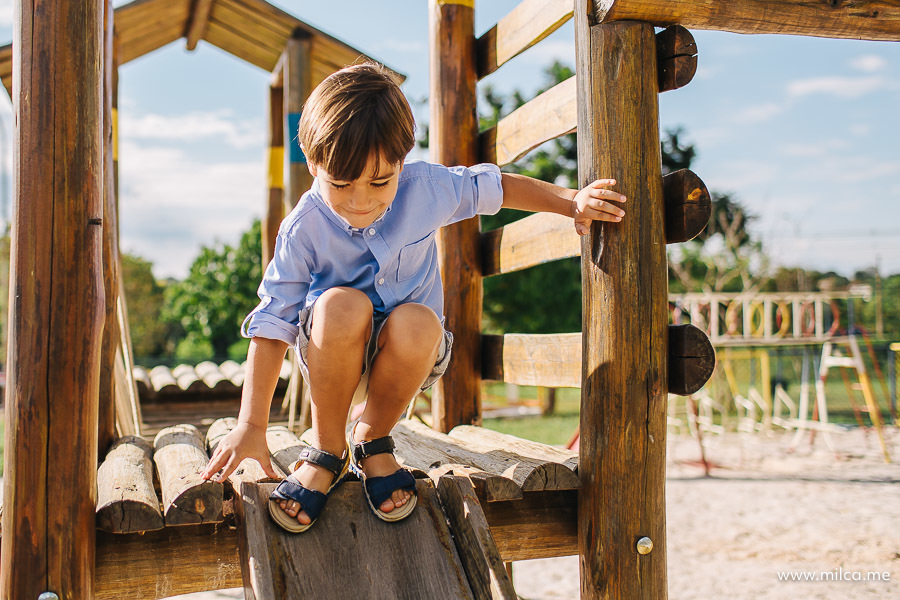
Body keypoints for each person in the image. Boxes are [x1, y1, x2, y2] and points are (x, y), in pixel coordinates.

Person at [199, 62, 626, 532]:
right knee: (341, 304)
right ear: (312, 163)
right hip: (330, 354)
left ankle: (372, 439)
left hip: (410, 356)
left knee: (418, 319)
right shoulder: (304, 228)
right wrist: (252, 425)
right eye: (339, 185)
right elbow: (272, 322)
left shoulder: (427, 188)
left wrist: (571, 203)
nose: (360, 201)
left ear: (402, 161)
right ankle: (326, 450)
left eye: (379, 182)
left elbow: (496, 186)